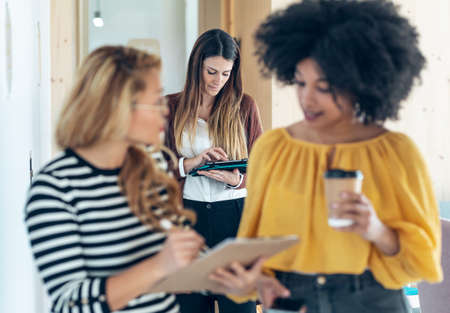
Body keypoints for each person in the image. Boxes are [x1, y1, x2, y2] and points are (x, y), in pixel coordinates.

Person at [23, 46, 284, 313]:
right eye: (156, 101)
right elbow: (71, 304)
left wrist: (244, 281)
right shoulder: (54, 189)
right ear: (118, 106)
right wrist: (160, 266)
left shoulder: (150, 165)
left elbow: (177, 254)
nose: (165, 111)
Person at [236, 1, 443, 312]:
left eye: (324, 87)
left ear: (361, 84)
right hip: (292, 301)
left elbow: (423, 261)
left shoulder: (398, 154)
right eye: (301, 82)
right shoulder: (273, 148)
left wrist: (376, 229)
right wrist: (254, 282)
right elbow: (250, 250)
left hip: (372, 300)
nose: (306, 98)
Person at [164, 29, 263, 313]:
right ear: (196, 66)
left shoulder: (245, 107)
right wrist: (190, 163)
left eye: (225, 73)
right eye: (211, 71)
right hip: (188, 220)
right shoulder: (170, 108)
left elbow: (261, 168)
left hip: (234, 219)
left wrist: (236, 180)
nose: (217, 81)